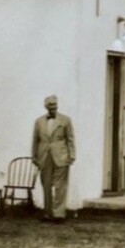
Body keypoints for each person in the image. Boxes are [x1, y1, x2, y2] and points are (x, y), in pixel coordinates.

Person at [31, 95, 76, 223]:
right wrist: (34, 156)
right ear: (46, 106)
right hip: (44, 157)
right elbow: (35, 140)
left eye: (55, 104)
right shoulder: (39, 121)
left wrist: (72, 155)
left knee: (60, 186)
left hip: (61, 156)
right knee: (46, 185)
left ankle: (59, 214)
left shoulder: (65, 120)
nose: (53, 107)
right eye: (50, 105)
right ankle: (48, 212)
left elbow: (70, 139)